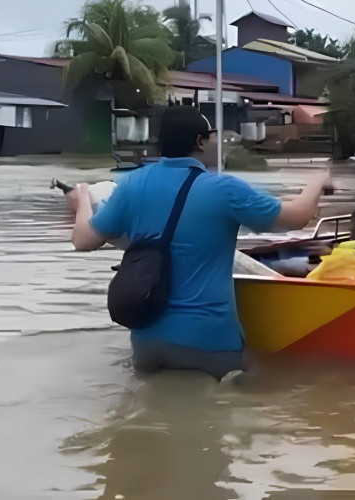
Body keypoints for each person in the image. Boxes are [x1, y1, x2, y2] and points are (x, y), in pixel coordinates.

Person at [71, 106, 329, 379]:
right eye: (213, 135)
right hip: (210, 344)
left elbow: (83, 240)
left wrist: (82, 199)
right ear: (200, 141)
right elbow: (297, 217)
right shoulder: (225, 190)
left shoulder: (131, 185)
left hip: (147, 343)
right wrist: (318, 182)